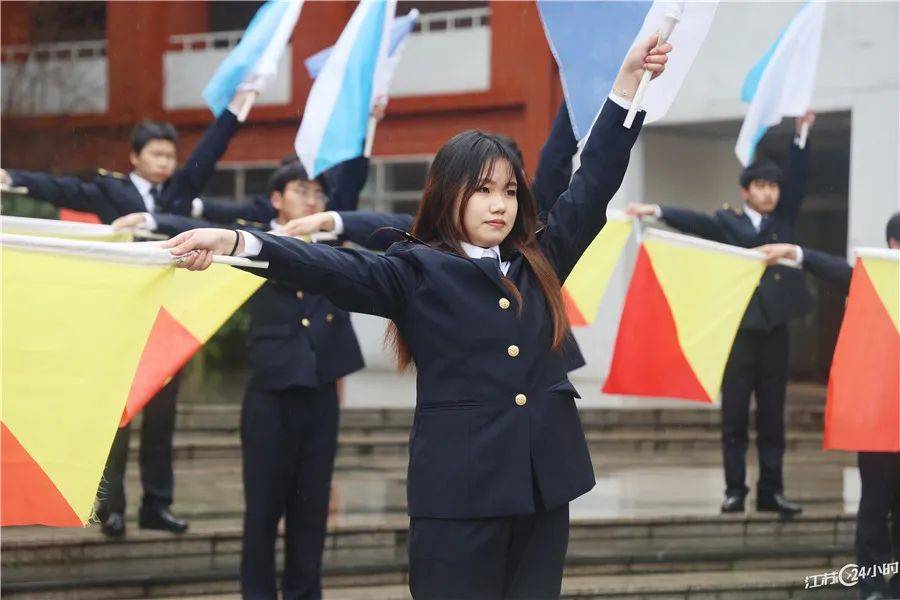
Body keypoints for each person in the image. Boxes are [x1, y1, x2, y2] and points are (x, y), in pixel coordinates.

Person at [160, 35, 671, 599]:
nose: (499, 204)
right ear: (452, 193)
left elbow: (592, 182)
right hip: (459, 500)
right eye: (482, 191)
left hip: (542, 491)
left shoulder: (539, 259)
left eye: (508, 191)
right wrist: (238, 241)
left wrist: (626, 86)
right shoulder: (417, 271)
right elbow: (327, 268)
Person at [0, 91, 251, 538]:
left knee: (162, 418)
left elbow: (209, 155)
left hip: (167, 318)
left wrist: (234, 112)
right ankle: (110, 508)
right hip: (121, 319)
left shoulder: (177, 196)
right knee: (116, 417)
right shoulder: (110, 190)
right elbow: (61, 188)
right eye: (155, 153)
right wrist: (12, 178)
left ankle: (157, 505)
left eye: (170, 155)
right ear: (135, 157)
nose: (164, 162)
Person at [129, 161, 368, 600]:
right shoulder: (250, 238)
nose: (312, 200)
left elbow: (360, 191)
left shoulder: (334, 244)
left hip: (319, 395)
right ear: (277, 198)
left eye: (318, 193)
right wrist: (152, 220)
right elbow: (196, 225)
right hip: (270, 395)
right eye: (301, 190)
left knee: (310, 513)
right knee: (262, 511)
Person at [625, 111, 817, 517]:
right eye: (761, 186)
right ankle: (734, 491)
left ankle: (771, 491)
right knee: (733, 418)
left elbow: (799, 180)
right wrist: (655, 209)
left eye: (773, 187)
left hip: (775, 332)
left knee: (771, 419)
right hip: (738, 332)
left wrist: (802, 134)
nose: (769, 193)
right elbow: (693, 222)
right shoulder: (727, 222)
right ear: (746, 191)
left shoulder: (783, 221)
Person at [757, 212, 900, 600]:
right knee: (875, 505)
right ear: (892, 247)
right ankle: (871, 585)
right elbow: (837, 269)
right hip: (878, 422)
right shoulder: (875, 280)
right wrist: (797, 252)